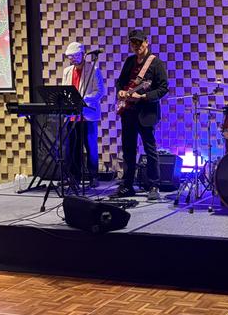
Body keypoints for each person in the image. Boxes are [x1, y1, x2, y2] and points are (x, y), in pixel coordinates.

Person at [112, 29, 168, 200]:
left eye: (139, 42)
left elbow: (163, 88)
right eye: (133, 43)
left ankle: (154, 185)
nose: (136, 46)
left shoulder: (156, 63)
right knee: (128, 149)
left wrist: (143, 96)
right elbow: (121, 82)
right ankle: (127, 185)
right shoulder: (129, 61)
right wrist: (120, 91)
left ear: (146, 42)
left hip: (146, 112)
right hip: (128, 111)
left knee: (150, 149)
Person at [62, 41, 105, 188]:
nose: (73, 59)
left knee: (90, 147)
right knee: (73, 147)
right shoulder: (67, 71)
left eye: (75, 56)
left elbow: (100, 91)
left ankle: (93, 176)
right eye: (70, 57)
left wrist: (85, 99)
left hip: (88, 115)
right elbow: (65, 90)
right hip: (72, 114)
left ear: (82, 55)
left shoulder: (93, 70)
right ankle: (74, 177)